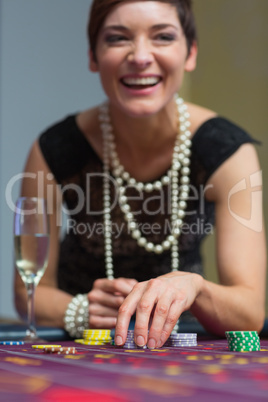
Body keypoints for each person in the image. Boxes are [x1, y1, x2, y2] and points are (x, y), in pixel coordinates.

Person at [14, 0, 266, 349]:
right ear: (93, 56)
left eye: (163, 36)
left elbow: (250, 311)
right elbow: (29, 291)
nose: (141, 56)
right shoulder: (52, 149)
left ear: (190, 53)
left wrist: (196, 286)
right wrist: (79, 309)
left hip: (182, 348)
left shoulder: (228, 151)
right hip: (82, 348)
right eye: (118, 39)